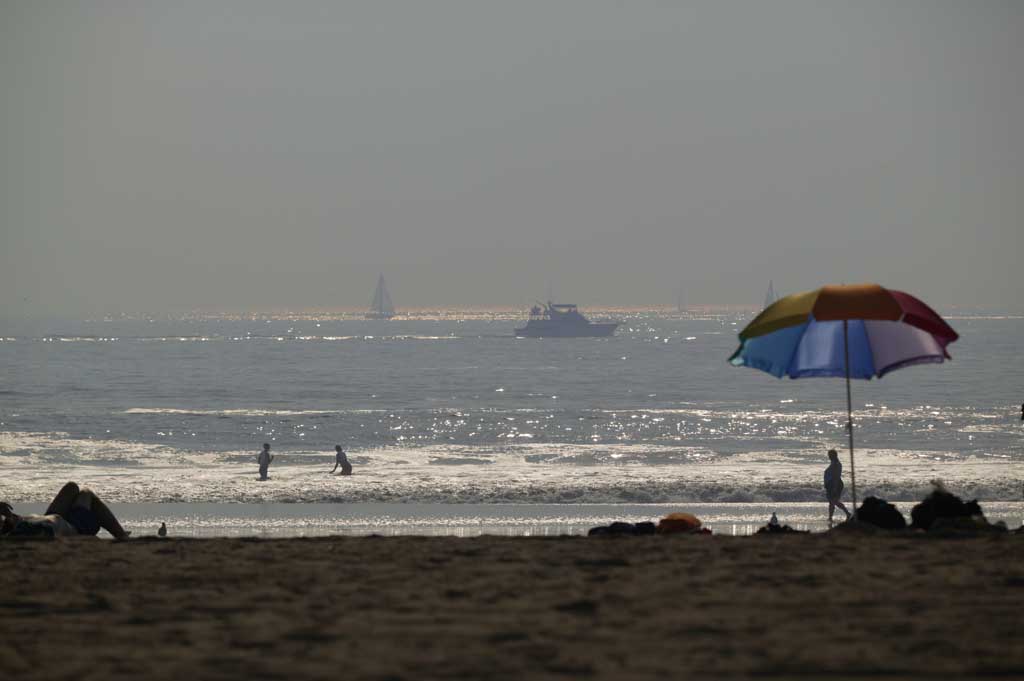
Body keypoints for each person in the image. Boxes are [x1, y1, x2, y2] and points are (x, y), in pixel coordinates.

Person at [1, 482, 130, 539]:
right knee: (86, 493)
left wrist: (9, 516)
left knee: (72, 487)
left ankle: (121, 535)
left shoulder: (13, 525)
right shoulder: (25, 533)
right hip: (70, 527)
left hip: (51, 518)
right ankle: (122, 536)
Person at [824, 449, 852, 525]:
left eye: (830, 455)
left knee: (834, 501)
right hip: (831, 484)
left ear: (833, 455)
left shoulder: (836, 464)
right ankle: (830, 517)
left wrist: (834, 487)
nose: (828, 456)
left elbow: (836, 476)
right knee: (831, 502)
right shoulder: (834, 463)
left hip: (835, 484)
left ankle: (847, 513)